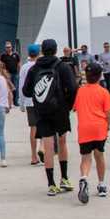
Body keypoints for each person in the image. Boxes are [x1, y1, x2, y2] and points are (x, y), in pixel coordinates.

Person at [22, 39, 78, 196]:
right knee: (62, 142)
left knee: (48, 147)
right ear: (55, 50)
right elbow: (73, 88)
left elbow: (26, 91)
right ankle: (65, 178)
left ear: (42, 51)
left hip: (42, 111)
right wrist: (68, 105)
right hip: (60, 109)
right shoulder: (62, 66)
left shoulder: (34, 69)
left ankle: (51, 184)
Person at [73, 63, 110, 203]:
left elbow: (75, 108)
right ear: (100, 76)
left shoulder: (80, 91)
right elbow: (108, 113)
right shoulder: (104, 92)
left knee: (85, 158)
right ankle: (101, 184)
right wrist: (108, 126)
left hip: (84, 128)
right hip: (99, 128)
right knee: (99, 155)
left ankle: (84, 178)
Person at [18, 44, 44, 165]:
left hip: (29, 100)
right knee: (44, 125)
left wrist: (21, 102)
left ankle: (33, 156)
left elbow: (21, 85)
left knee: (33, 127)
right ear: (39, 53)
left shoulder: (24, 67)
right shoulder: (42, 65)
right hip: (42, 99)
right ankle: (42, 147)